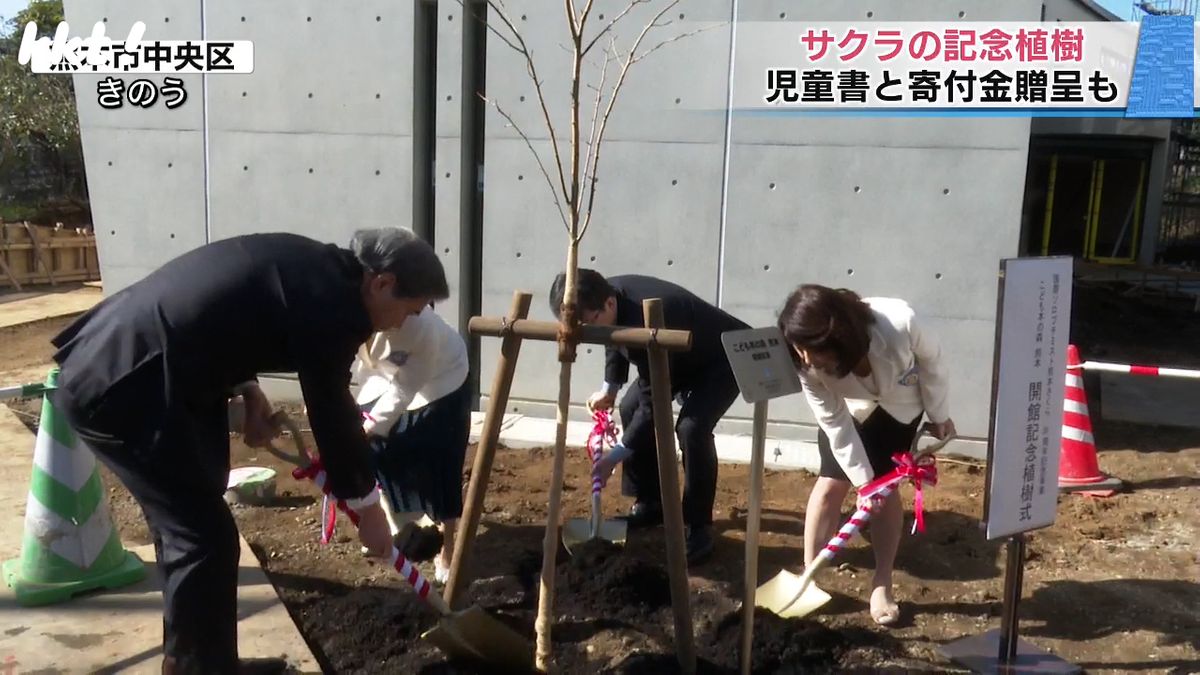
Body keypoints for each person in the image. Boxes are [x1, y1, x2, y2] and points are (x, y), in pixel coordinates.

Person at [48, 228, 450, 674]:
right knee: (202, 537)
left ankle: (204, 662)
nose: (402, 323)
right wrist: (366, 505)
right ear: (382, 283)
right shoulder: (338, 307)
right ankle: (199, 667)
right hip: (123, 385)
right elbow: (332, 409)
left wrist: (247, 387)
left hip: (133, 369)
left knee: (193, 527)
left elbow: (227, 315)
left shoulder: (314, 270)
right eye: (408, 310)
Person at [776, 284, 955, 627]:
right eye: (800, 349)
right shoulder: (806, 365)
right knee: (830, 485)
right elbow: (834, 422)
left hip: (899, 408)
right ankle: (809, 575)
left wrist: (939, 413)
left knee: (886, 494)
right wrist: (863, 482)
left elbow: (933, 363)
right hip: (850, 412)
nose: (808, 359)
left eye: (814, 349)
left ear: (840, 337)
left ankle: (882, 583)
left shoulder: (900, 321)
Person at [548, 269, 749, 565]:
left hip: (720, 357)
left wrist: (613, 456)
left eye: (589, 322)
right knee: (628, 408)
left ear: (609, 305)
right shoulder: (603, 295)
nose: (588, 331)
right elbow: (610, 337)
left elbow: (652, 404)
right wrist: (610, 389)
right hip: (674, 356)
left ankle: (699, 526)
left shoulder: (646, 318)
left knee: (692, 429)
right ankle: (650, 502)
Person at [352, 305, 470, 584]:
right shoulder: (346, 313)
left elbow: (405, 388)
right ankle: (391, 525)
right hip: (383, 375)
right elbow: (338, 362)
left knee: (440, 460)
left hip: (442, 381)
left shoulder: (422, 325)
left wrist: (369, 426)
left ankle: (448, 549)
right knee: (377, 451)